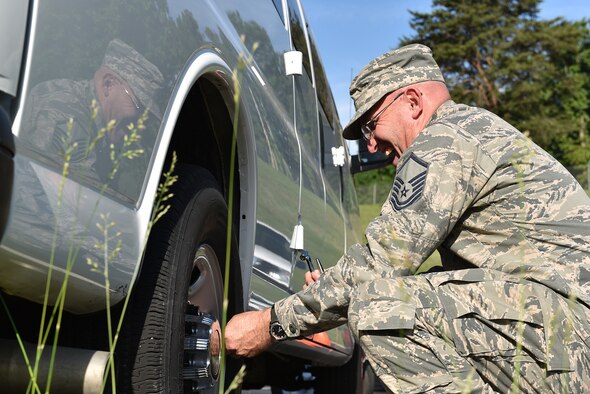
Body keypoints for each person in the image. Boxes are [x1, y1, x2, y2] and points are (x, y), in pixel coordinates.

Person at [225, 44, 590, 392]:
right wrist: (337, 290)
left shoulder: (444, 141)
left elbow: (378, 267)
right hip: (562, 334)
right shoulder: (471, 130)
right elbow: (461, 283)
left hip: (570, 340)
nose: (370, 146)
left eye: (371, 124)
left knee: (379, 306)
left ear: (413, 102)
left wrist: (268, 323)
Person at [22, 38, 163, 198]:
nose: (142, 122)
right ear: (108, 85)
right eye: (140, 107)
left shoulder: (107, 131)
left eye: (148, 116)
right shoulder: (66, 113)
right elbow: (82, 202)